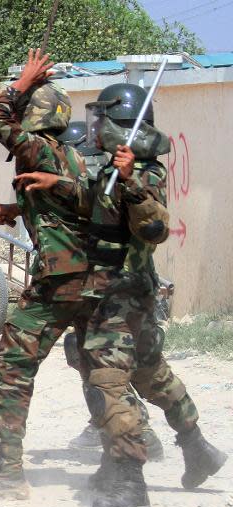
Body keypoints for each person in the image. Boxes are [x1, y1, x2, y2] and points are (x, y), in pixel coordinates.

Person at [0, 49, 105, 500]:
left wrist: (19, 82)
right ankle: (139, 447)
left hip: (58, 281)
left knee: (13, 367)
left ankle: (7, 472)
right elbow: (67, 204)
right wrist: (16, 209)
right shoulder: (72, 157)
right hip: (92, 279)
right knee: (102, 365)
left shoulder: (37, 148)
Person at [78, 83, 226, 507]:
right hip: (118, 291)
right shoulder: (109, 167)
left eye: (101, 118)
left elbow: (155, 229)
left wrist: (130, 182)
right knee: (150, 374)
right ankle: (198, 448)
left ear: (120, 122)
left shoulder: (147, 172)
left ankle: (129, 481)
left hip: (122, 294)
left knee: (108, 379)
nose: (95, 126)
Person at [55, 121, 164, 460]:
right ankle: (117, 427)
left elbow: (151, 229)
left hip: (122, 287)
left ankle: (139, 440)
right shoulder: (101, 180)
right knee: (91, 356)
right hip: (97, 286)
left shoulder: (136, 177)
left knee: (123, 367)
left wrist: (128, 180)